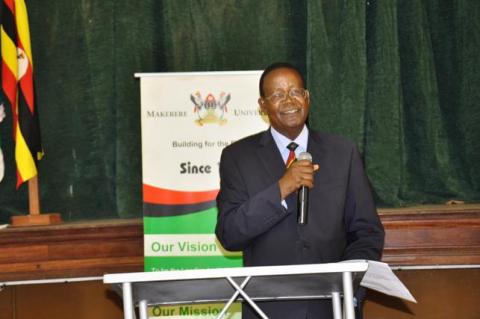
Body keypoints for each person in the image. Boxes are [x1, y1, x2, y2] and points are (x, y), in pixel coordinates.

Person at [215, 62, 385, 318]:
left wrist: (348, 287)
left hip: (333, 307)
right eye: (277, 94)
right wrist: (282, 189)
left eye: (296, 92)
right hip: (267, 308)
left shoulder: (343, 153)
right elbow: (229, 233)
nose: (289, 100)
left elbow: (367, 232)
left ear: (307, 98)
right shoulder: (238, 157)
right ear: (262, 106)